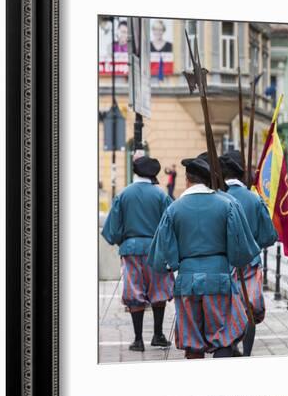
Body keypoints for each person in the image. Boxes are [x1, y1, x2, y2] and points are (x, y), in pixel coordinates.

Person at [147, 157, 260, 359]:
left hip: (187, 280)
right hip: (219, 278)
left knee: (192, 341)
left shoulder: (174, 209)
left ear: (187, 179)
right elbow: (241, 250)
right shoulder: (227, 205)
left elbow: (161, 256)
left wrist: (172, 266)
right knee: (224, 336)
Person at [101, 156, 174, 352]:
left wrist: (123, 241)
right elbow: (170, 225)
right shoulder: (161, 196)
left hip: (131, 249)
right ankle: (158, 335)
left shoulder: (124, 195)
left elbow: (112, 230)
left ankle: (138, 340)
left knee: (134, 291)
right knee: (158, 290)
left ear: (135, 172)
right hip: (156, 248)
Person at [219, 150, 278, 355]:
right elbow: (269, 236)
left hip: (223, 263)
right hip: (251, 263)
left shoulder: (218, 197)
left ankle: (232, 344)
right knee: (250, 308)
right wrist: (253, 243)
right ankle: (247, 353)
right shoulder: (254, 199)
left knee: (228, 307)